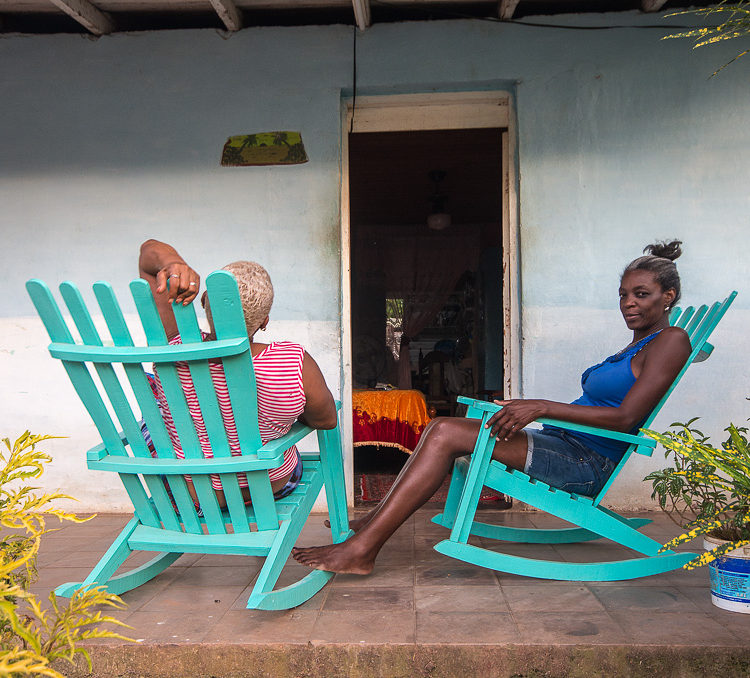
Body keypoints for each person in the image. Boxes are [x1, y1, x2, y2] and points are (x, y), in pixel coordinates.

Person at [292, 240, 692, 575]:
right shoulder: (638, 343)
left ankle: (363, 548)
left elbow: (626, 418)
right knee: (438, 427)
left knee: (447, 432)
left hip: (585, 463)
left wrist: (540, 407)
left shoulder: (670, 340)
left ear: (668, 296)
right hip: (566, 444)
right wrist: (538, 411)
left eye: (641, 294)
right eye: (623, 294)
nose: (628, 303)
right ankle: (374, 522)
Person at [139, 239, 338, 509]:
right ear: (265, 321)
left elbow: (148, 255)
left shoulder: (172, 346)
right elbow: (325, 420)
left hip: (193, 492)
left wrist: (173, 264)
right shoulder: (293, 362)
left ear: (205, 302)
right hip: (268, 487)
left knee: (153, 408)